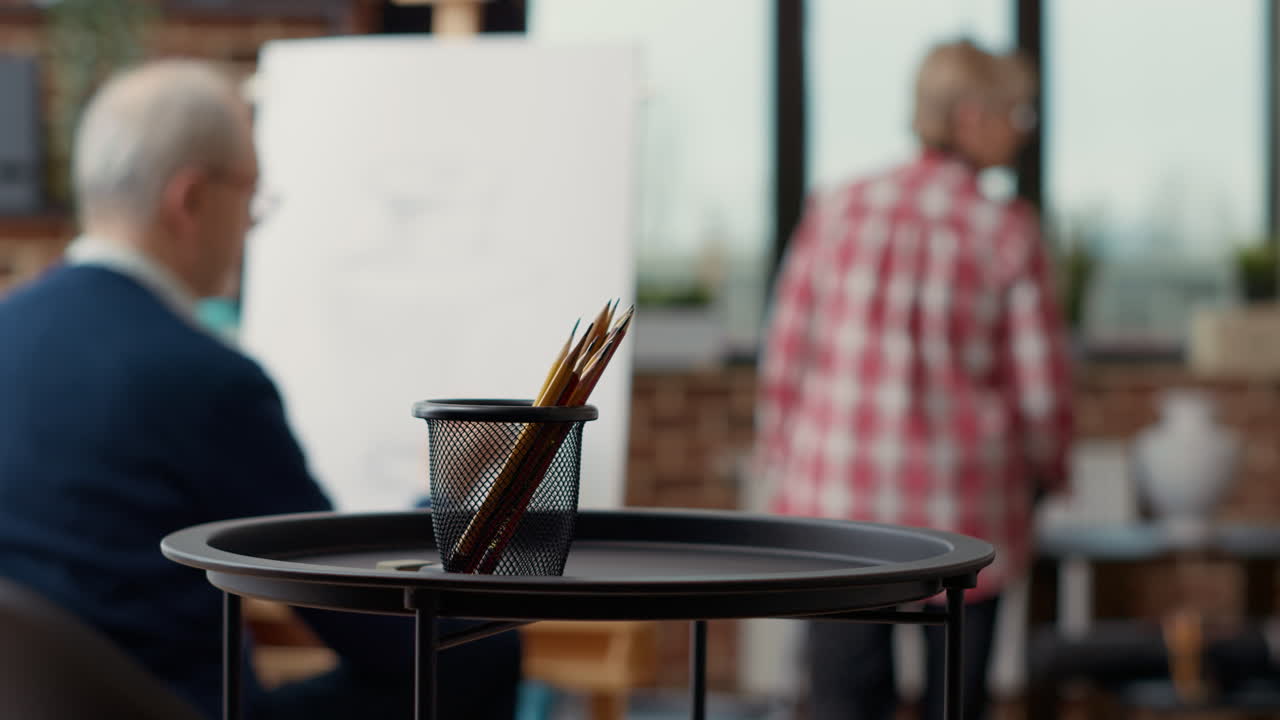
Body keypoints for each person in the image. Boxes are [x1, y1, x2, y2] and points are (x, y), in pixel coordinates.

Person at [0, 60, 519, 719]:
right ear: (191, 200)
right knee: (473, 654)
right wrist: (448, 497)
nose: (251, 226)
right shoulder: (201, 379)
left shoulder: (9, 327)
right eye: (251, 196)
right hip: (163, 707)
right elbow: (376, 628)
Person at [756, 40, 1072, 720]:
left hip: (837, 509)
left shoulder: (837, 208)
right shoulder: (1005, 229)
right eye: (1015, 112)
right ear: (971, 116)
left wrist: (781, 461)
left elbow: (785, 356)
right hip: (967, 512)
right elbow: (1042, 391)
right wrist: (1049, 471)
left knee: (843, 702)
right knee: (956, 700)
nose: (1022, 129)